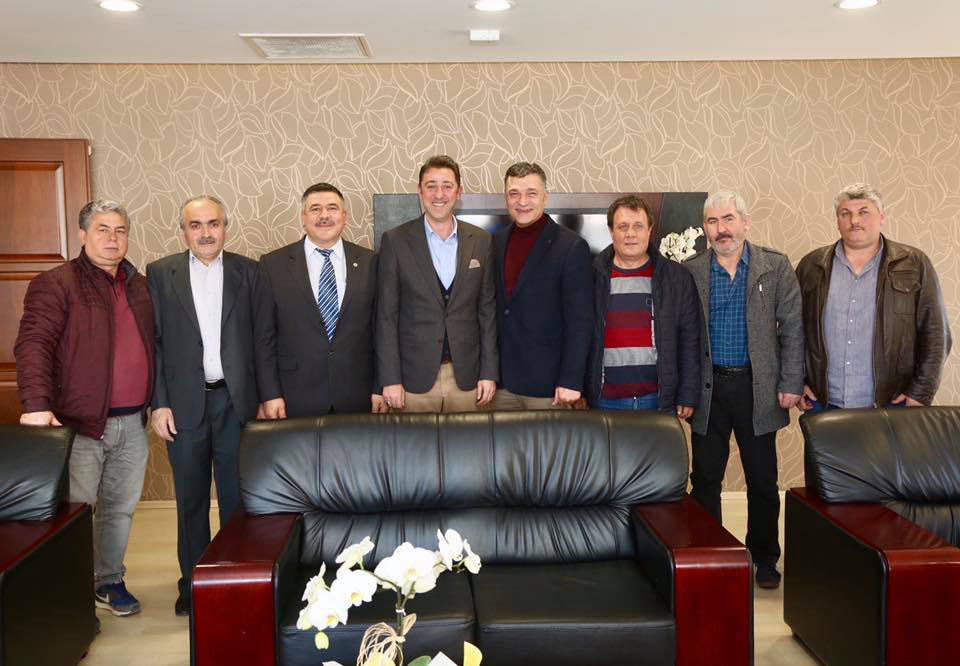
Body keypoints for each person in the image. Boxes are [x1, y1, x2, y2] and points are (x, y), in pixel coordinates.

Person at [15, 200, 154, 616]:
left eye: (120, 230)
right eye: (102, 229)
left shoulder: (140, 285)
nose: (113, 238)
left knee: (119, 510)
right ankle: (68, 596)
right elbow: (33, 344)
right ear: (82, 235)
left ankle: (108, 581)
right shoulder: (56, 283)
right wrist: (36, 404)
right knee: (75, 513)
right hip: (79, 425)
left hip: (133, 422)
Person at [147, 195, 266, 616]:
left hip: (236, 403)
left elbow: (262, 340)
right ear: (183, 231)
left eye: (213, 224)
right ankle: (193, 584)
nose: (205, 233)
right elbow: (153, 344)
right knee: (191, 500)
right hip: (184, 405)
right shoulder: (160, 273)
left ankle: (233, 579)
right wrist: (159, 404)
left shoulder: (249, 271)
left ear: (225, 227)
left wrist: (264, 399)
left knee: (237, 500)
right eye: (195, 225)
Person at [684, 191, 804, 589]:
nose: (722, 229)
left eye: (729, 219)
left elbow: (792, 328)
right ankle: (711, 556)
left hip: (758, 388)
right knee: (705, 479)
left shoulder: (775, 266)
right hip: (709, 389)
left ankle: (765, 558)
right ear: (705, 228)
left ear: (745, 222)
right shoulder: (691, 271)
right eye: (713, 221)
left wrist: (790, 382)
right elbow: (682, 335)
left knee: (763, 481)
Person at [795, 183, 952, 411]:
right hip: (822, 402)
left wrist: (921, 391)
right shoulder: (811, 265)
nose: (854, 220)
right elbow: (792, 330)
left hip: (893, 403)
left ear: (882, 217)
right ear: (837, 221)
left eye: (863, 212)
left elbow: (937, 333)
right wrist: (795, 382)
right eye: (845, 213)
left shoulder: (914, 263)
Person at [377, 155, 497, 411]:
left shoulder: (481, 240)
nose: (439, 194)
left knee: (467, 439)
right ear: (419, 190)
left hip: (467, 377)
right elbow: (386, 316)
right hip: (413, 380)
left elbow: (487, 312)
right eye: (431, 186)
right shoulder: (395, 241)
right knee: (414, 440)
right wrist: (390, 379)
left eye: (447, 186)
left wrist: (489, 372)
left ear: (459, 191)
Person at [256, 183, 384, 417]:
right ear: (303, 217)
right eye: (315, 209)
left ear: (344, 217)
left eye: (332, 208)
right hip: (295, 395)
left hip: (358, 394)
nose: (324, 215)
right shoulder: (273, 265)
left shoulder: (370, 262)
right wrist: (270, 394)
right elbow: (264, 338)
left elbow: (381, 331)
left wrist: (379, 387)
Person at [491, 162, 593, 410]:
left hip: (550, 387)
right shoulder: (496, 241)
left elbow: (580, 321)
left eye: (531, 193)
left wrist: (571, 380)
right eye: (514, 193)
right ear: (506, 199)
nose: (522, 201)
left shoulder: (571, 246)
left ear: (545, 197)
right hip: (501, 385)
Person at [585, 195, 700, 414]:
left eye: (638, 226)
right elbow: (578, 336)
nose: (630, 234)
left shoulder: (677, 278)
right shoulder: (590, 277)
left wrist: (687, 393)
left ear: (649, 230)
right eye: (623, 226)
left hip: (658, 401)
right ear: (611, 231)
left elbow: (690, 340)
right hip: (604, 400)